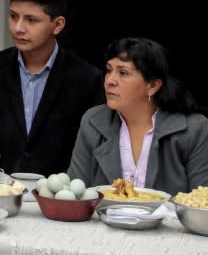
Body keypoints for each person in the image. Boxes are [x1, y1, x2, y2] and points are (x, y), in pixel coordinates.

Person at [0, 0, 103, 176]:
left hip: (59, 198)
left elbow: (89, 153)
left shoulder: (87, 80)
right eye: (13, 16)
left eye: (31, 20)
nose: (18, 28)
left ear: (57, 25)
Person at [68, 37, 208, 195]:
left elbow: (202, 203)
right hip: (103, 219)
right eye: (109, 70)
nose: (110, 80)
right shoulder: (93, 121)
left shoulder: (194, 128)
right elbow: (74, 192)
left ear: (153, 86)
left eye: (123, 73)